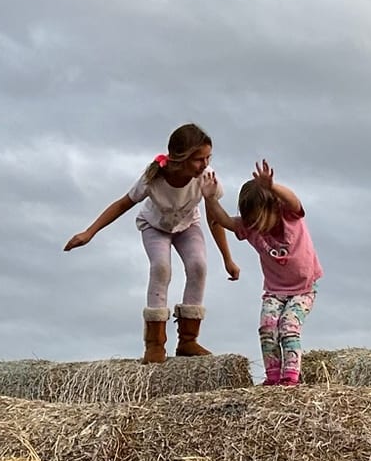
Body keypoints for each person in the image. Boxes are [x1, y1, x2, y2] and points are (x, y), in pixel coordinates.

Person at [65, 123, 239, 362]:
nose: (206, 164)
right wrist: (89, 232)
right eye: (199, 159)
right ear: (181, 158)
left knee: (198, 266)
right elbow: (122, 204)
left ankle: (188, 341)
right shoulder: (154, 177)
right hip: (155, 227)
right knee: (161, 268)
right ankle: (155, 344)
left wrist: (227, 258)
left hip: (188, 225)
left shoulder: (206, 179)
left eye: (208, 157)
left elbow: (214, 218)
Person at [208, 160, 321, 385]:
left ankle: (290, 377)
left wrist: (272, 187)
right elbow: (223, 220)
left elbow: (293, 200)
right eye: (252, 222)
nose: (257, 227)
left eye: (260, 221)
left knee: (289, 325)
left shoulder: (289, 216)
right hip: (274, 290)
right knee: (267, 328)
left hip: (304, 288)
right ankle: (272, 377)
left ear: (273, 208)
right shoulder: (251, 228)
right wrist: (209, 198)